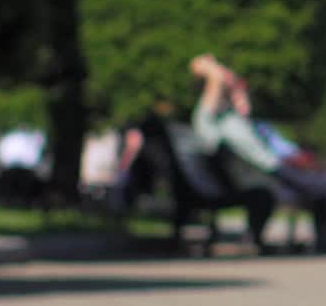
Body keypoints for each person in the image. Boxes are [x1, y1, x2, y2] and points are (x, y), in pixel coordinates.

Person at [189, 54, 326, 253]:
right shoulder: (207, 119)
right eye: (230, 86)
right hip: (267, 175)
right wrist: (213, 70)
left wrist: (238, 94)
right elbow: (212, 76)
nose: (237, 87)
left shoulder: (237, 119)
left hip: (277, 171)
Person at [116, 97, 277, 250]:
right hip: (198, 193)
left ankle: (253, 239)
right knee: (263, 194)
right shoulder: (187, 138)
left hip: (193, 192)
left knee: (260, 193)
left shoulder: (177, 140)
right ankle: (255, 239)